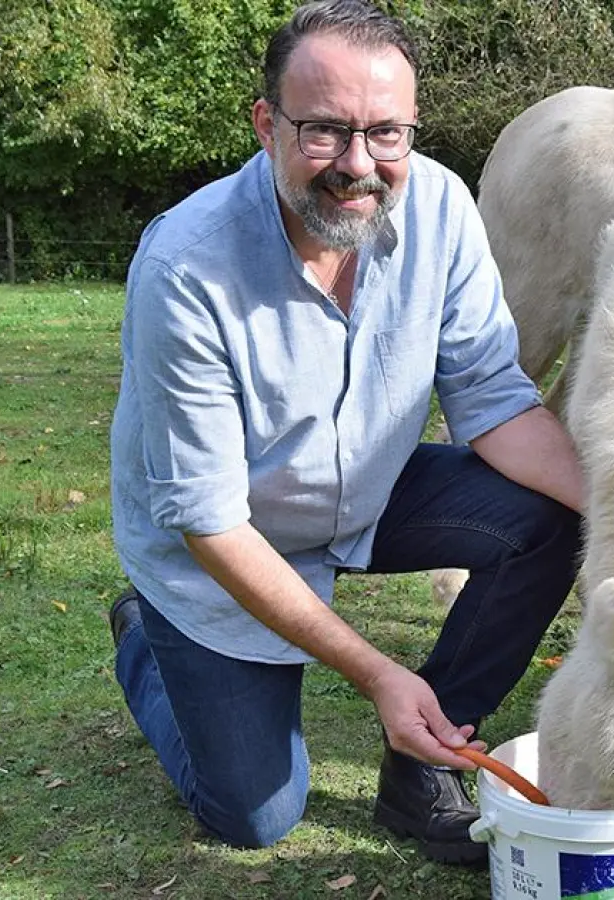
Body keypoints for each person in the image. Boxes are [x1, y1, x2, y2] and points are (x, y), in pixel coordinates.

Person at [104, 0, 586, 865]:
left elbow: (492, 397)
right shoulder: (185, 268)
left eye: (387, 134)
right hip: (225, 542)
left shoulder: (441, 208)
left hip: (369, 484)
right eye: (325, 132)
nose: (359, 165)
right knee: (255, 817)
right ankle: (145, 642)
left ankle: (419, 766)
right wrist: (376, 673)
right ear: (266, 125)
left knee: (555, 516)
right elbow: (210, 519)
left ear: (411, 130)